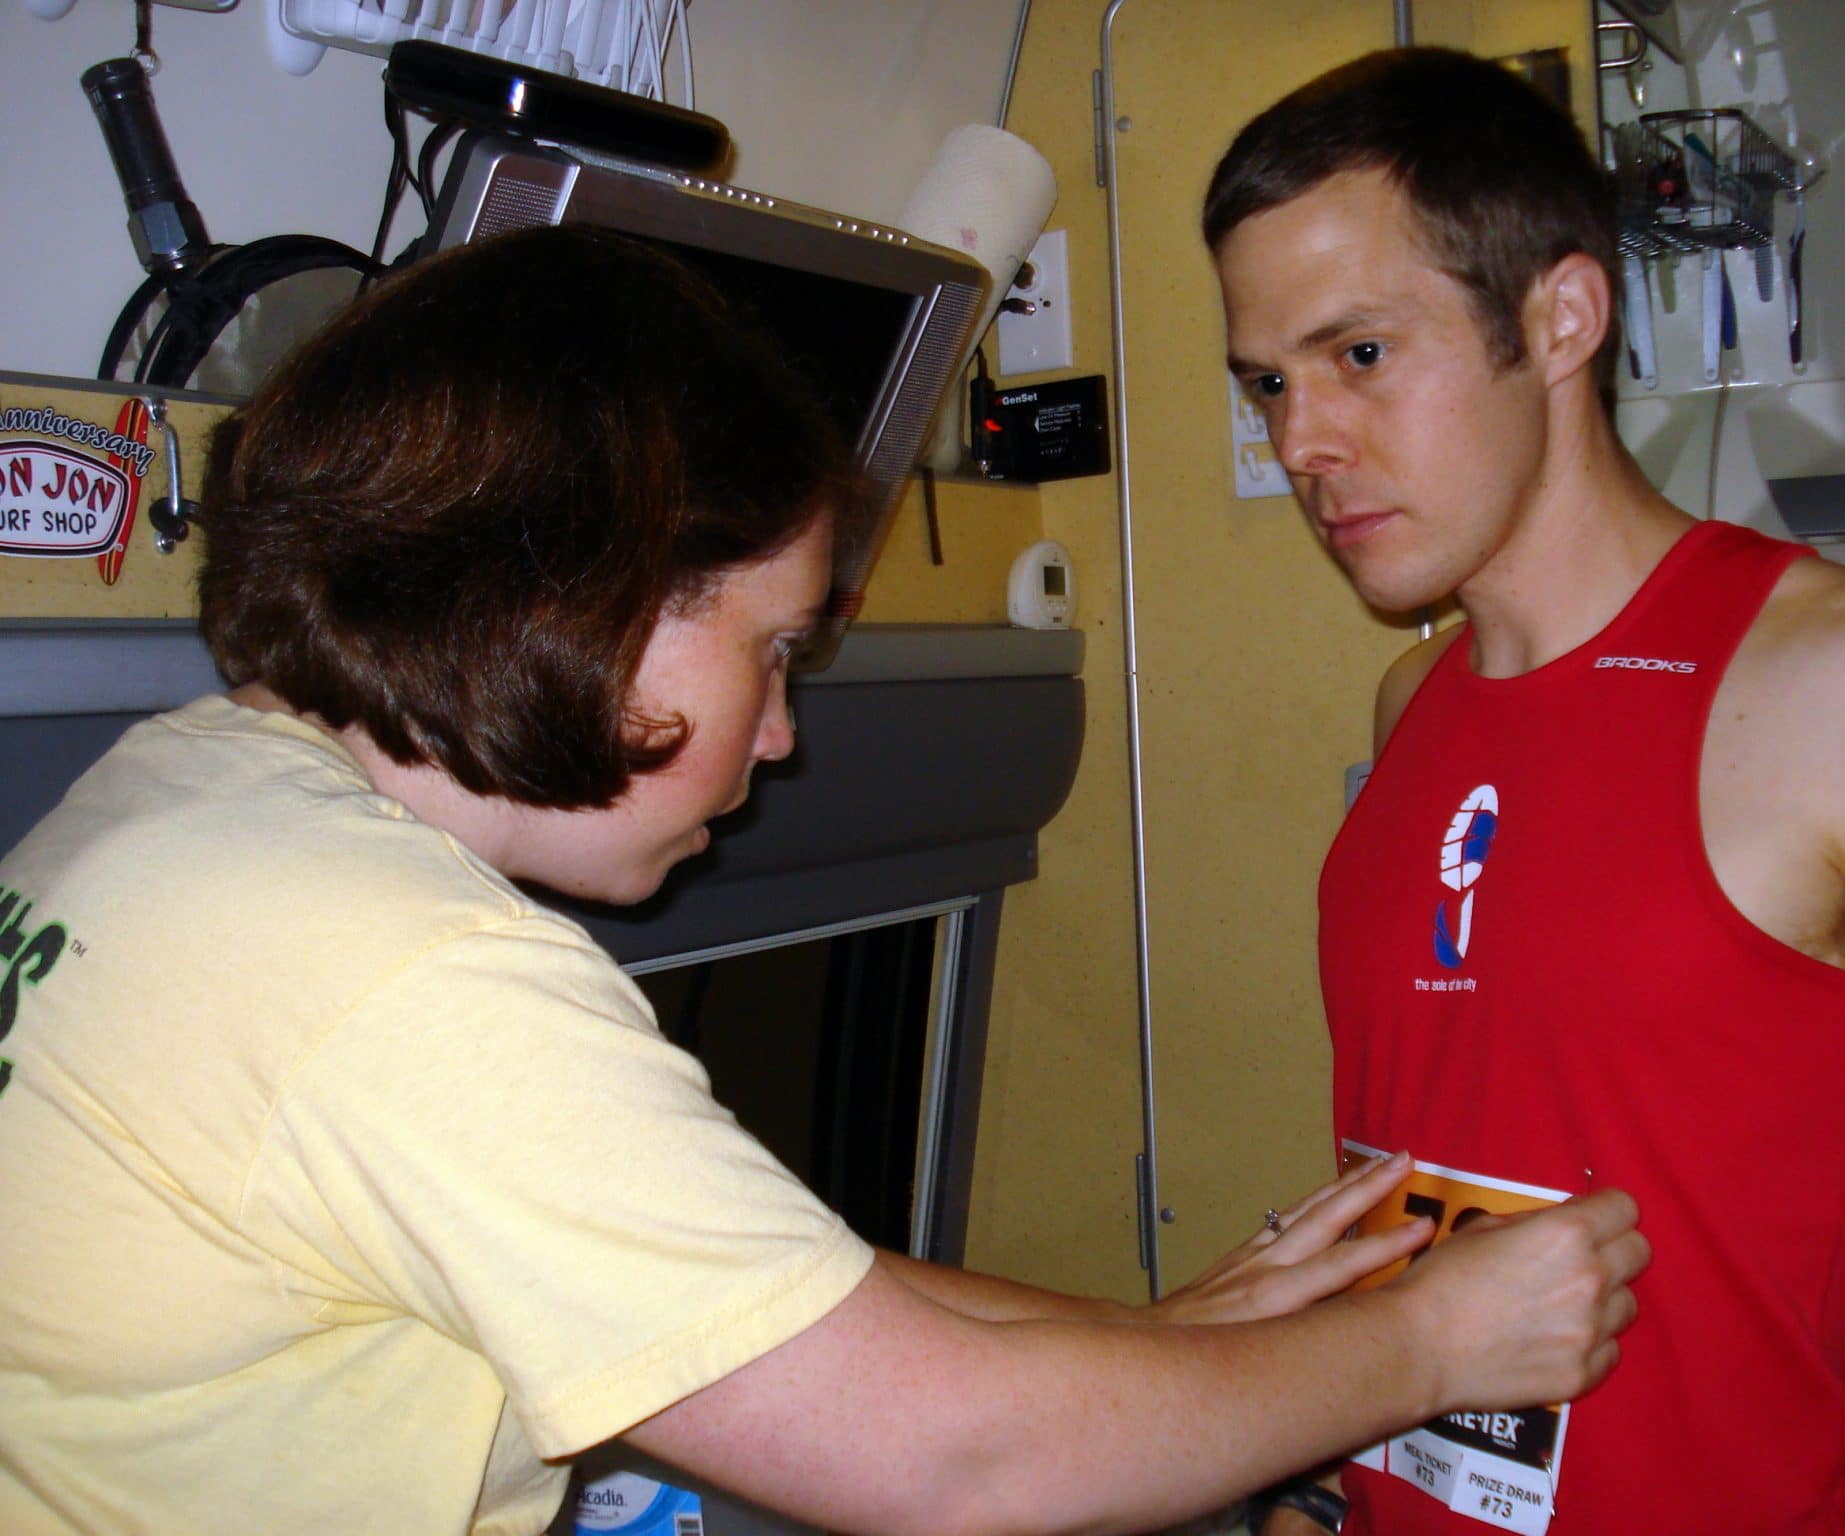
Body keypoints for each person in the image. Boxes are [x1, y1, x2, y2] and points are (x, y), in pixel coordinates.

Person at [0, 225, 1648, 1536]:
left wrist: (1187, 1341)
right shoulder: (396, 976)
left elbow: (760, 1292)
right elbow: (955, 1468)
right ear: (594, 598)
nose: (780, 735)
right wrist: (1439, 1343)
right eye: (774, 651)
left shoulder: (189, 795)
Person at [1204, 45, 1845, 1536]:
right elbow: (1430, 1180)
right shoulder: (1410, 707)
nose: (1300, 443)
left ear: (1563, 315)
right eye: (1269, 380)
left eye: (1361, 356)